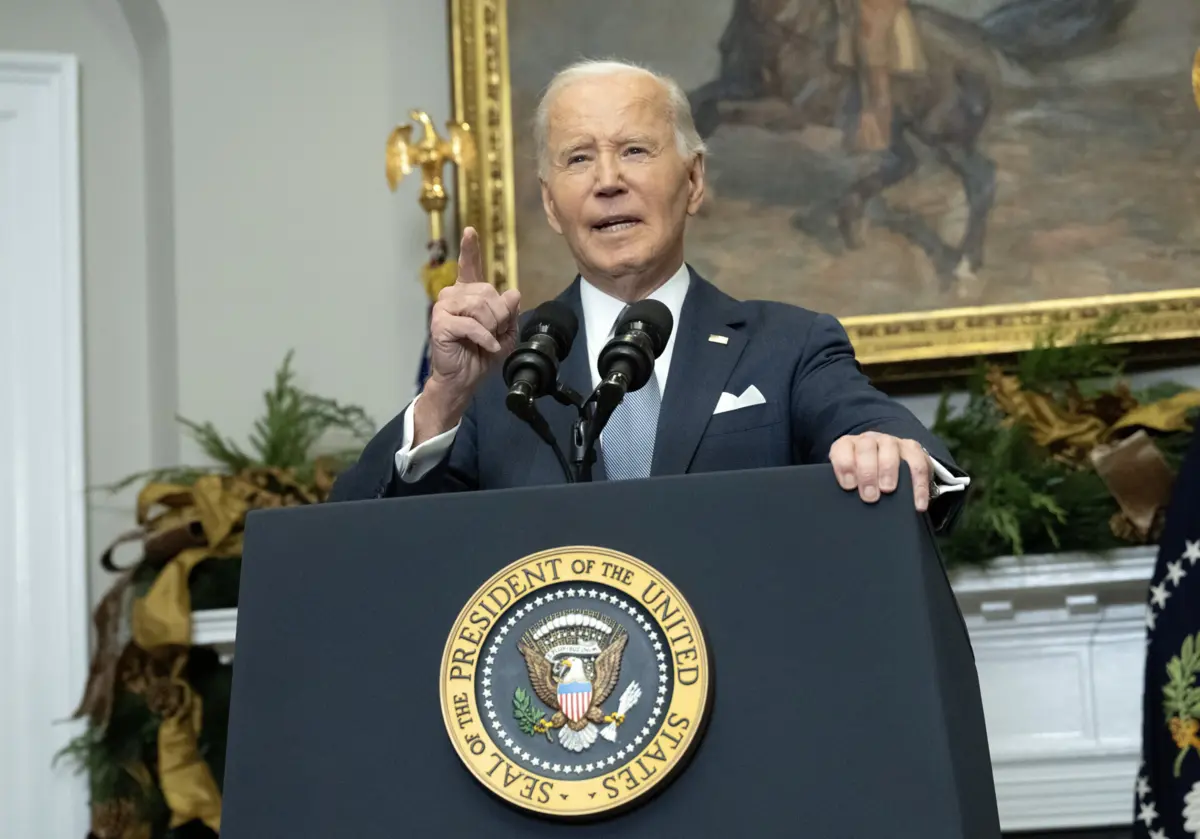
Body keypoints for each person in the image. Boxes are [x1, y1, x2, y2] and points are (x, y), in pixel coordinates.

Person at [329, 59, 968, 527]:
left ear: (693, 181)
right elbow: (355, 538)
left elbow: (898, 444)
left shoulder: (789, 347)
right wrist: (442, 399)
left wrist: (888, 450)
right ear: (552, 206)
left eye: (634, 150)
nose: (608, 181)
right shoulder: (500, 374)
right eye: (578, 159)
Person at [834, 0, 928, 152]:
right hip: (868, 17)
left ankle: (877, 136)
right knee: (869, 75)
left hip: (880, 17)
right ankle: (870, 134)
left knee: (877, 76)